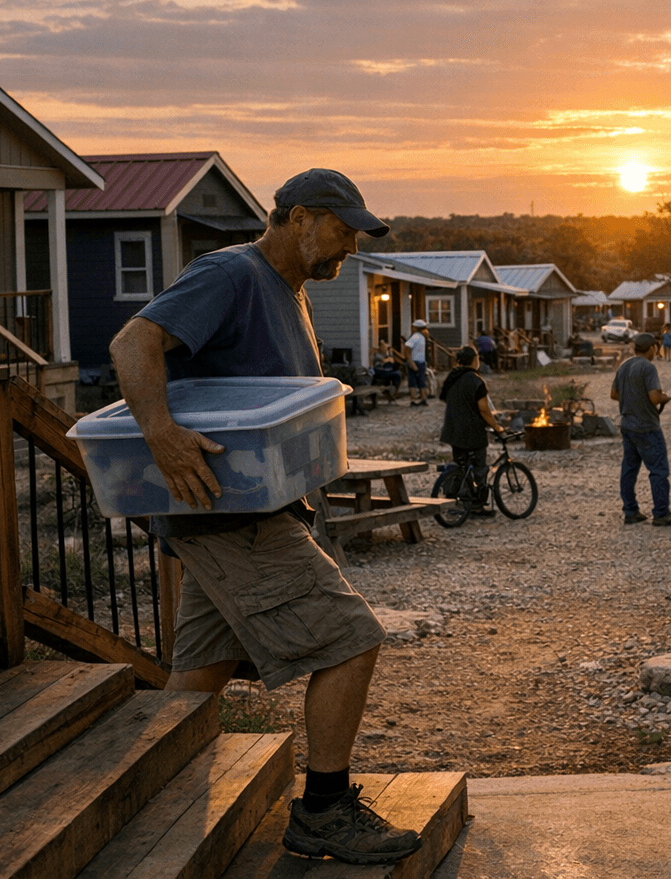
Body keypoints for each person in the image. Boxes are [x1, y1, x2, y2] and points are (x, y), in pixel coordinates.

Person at [108, 168, 422, 866]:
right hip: (231, 515)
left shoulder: (291, 292)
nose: (349, 247)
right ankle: (322, 813)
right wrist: (159, 432)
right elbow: (133, 343)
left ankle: (139, 794)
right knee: (350, 639)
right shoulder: (233, 273)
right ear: (299, 217)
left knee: (200, 672)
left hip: (252, 508)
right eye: (342, 230)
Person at [610, 332, 671, 526]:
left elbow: (614, 394)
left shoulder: (624, 365)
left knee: (629, 470)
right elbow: (654, 397)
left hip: (628, 426)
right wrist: (665, 397)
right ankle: (661, 513)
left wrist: (632, 401)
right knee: (659, 470)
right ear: (652, 348)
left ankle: (630, 511)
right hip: (647, 427)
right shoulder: (648, 367)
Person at [439, 345, 503, 515]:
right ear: (475, 360)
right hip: (472, 432)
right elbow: (483, 409)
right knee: (479, 468)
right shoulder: (476, 380)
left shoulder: (451, 378)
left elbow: (446, 398)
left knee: (461, 466)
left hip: (453, 430)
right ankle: (477, 505)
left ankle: (457, 500)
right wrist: (496, 427)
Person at [403, 319, 429, 406]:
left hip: (419, 361)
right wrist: (411, 362)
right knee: (414, 380)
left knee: (419, 380)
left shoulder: (419, 336)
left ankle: (421, 399)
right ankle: (415, 399)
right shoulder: (417, 337)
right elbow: (407, 348)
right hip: (415, 361)